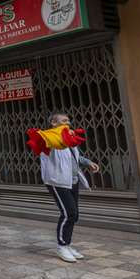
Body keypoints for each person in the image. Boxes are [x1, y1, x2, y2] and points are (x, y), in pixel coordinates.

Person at [40, 112, 99, 263]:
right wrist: (63, 137)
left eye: (68, 120)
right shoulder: (49, 138)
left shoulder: (69, 138)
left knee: (74, 214)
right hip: (57, 181)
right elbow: (48, 149)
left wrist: (88, 162)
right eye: (64, 120)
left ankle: (67, 244)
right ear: (54, 123)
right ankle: (61, 245)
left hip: (71, 180)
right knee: (69, 213)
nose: (68, 123)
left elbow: (75, 156)